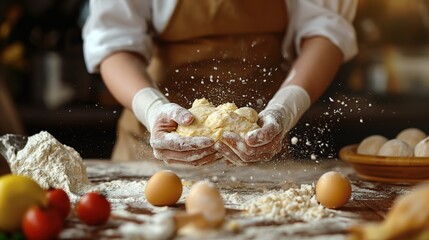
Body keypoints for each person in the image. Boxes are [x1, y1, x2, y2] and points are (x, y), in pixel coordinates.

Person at [83, 0, 358, 166]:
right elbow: (114, 41)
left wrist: (285, 108)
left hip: (261, 146)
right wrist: (152, 109)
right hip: (154, 152)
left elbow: (325, 29)